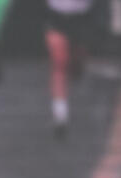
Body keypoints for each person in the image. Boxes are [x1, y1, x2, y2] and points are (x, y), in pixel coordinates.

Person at [44, 0, 96, 138]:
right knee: (59, 63)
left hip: (82, 18)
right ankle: (60, 115)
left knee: (77, 63)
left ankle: (77, 68)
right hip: (57, 17)